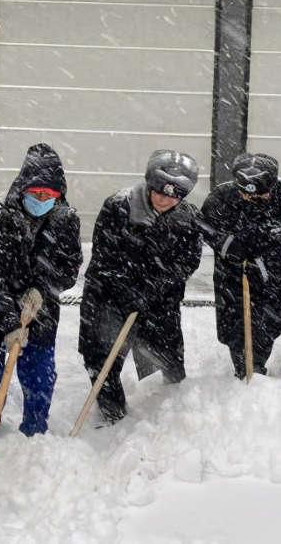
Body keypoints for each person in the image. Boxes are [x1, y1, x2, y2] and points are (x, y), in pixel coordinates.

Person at [0, 144, 82, 437]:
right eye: (36, 193)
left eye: (49, 196)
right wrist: (8, 324)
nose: (41, 200)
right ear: (23, 187)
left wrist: (41, 288)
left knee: (40, 378)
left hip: (39, 310)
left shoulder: (64, 220)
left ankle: (34, 433)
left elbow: (69, 265)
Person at [79, 149, 203, 424]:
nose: (165, 198)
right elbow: (105, 255)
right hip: (108, 298)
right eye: (160, 190)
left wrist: (157, 286)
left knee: (165, 354)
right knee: (103, 357)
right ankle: (113, 413)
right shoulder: (119, 206)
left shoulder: (188, 217)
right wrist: (126, 289)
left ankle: (168, 409)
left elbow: (188, 261)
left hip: (158, 300)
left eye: (174, 195)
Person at [201, 153, 281, 378]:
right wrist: (228, 243)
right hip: (233, 270)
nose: (252, 199)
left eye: (261, 195)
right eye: (245, 194)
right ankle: (245, 364)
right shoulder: (221, 197)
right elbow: (206, 228)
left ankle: (257, 359)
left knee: (269, 321)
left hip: (272, 272)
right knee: (234, 320)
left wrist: (273, 246)